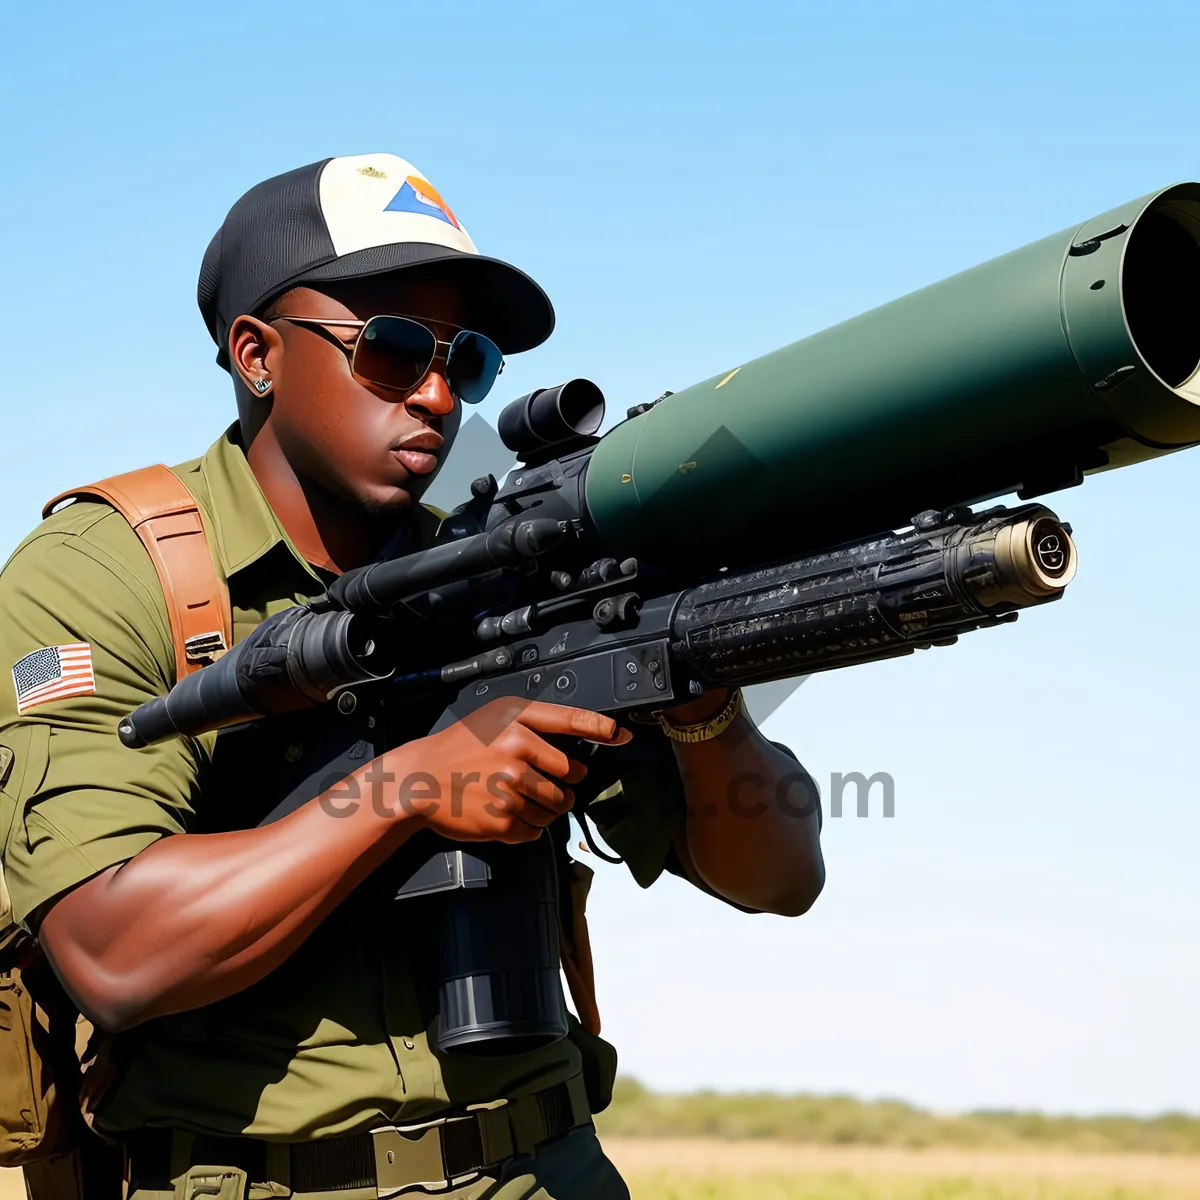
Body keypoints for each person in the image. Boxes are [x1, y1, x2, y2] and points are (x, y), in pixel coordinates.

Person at [0, 154, 825, 1200]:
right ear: (255, 353)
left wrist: (702, 699)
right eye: (389, 350)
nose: (437, 394)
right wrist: (409, 787)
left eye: (465, 360)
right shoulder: (110, 574)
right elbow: (114, 955)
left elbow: (779, 877)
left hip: (544, 1169)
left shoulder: (515, 579)